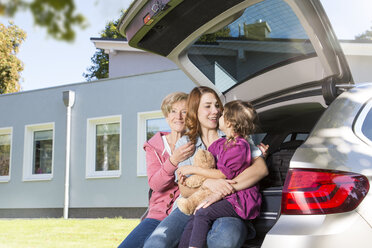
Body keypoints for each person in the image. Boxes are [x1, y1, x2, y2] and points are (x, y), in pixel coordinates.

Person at [143, 86, 269, 248]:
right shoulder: (187, 143)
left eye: (217, 106)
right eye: (208, 106)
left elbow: (260, 170)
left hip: (230, 204)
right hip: (192, 204)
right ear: (195, 110)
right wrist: (207, 183)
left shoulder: (234, 134)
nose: (215, 111)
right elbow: (185, 190)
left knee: (224, 239)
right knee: (156, 243)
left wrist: (223, 190)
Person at [178, 100, 262, 248]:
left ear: (229, 122)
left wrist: (193, 170)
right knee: (196, 213)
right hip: (227, 196)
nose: (218, 116)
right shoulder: (223, 143)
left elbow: (224, 174)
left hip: (239, 200)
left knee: (203, 212)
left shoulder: (239, 147)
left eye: (222, 114)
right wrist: (190, 176)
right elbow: (209, 157)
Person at [117, 92, 195, 248]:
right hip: (157, 215)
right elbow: (156, 185)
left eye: (184, 111)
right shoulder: (154, 146)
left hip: (184, 213)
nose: (178, 116)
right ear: (166, 116)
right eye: (173, 111)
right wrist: (173, 160)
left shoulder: (196, 143)